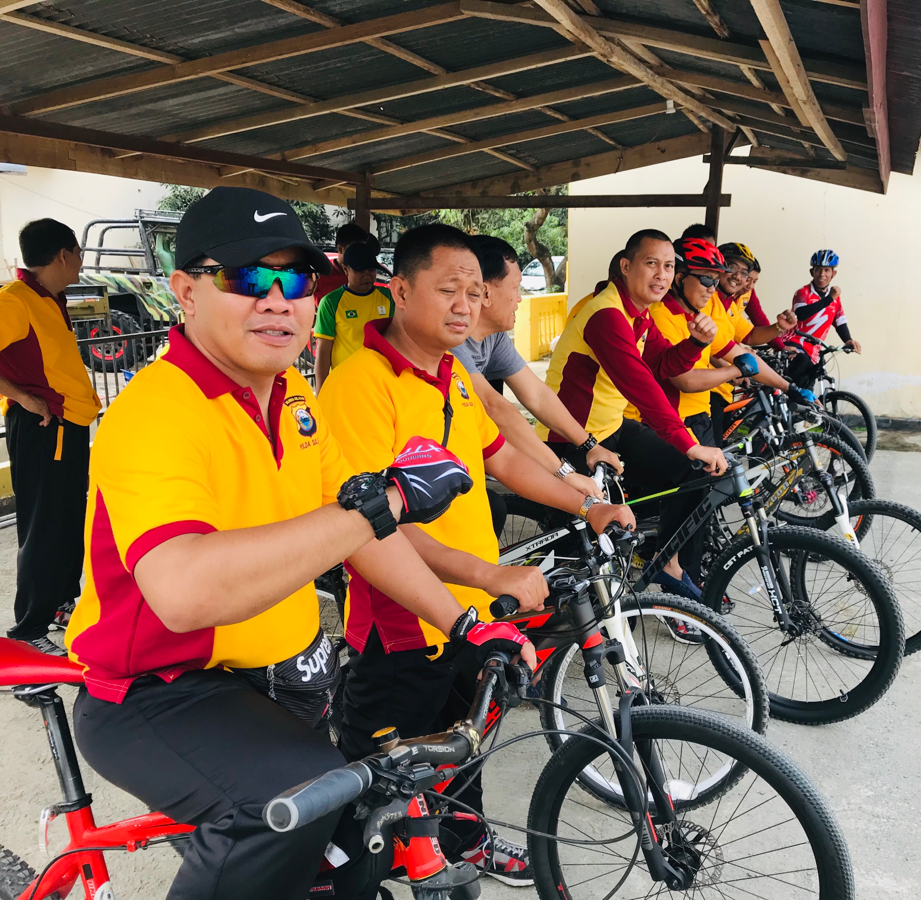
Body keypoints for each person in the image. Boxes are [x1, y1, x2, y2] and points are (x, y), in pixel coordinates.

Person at [63, 187, 533, 900]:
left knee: (361, 833)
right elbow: (186, 593)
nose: (278, 299)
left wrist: (466, 624)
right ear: (185, 292)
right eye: (249, 278)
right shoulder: (154, 414)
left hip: (281, 678)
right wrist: (391, 501)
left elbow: (365, 531)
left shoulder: (294, 398)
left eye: (298, 280)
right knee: (282, 804)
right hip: (156, 690)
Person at [319, 223, 634, 886]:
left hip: (470, 614)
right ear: (400, 291)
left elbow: (503, 458)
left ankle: (462, 851)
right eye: (448, 290)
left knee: (459, 756)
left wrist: (585, 504)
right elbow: (372, 529)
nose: (466, 304)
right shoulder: (360, 385)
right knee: (372, 797)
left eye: (475, 291)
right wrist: (490, 572)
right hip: (402, 628)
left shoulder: (453, 379)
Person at [537, 228, 727, 597]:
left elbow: (663, 365)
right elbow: (642, 386)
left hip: (611, 428)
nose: (662, 274)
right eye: (651, 263)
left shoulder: (641, 314)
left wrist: (696, 343)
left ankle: (664, 562)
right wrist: (689, 443)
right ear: (626, 266)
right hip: (572, 435)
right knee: (575, 549)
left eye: (669, 266)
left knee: (690, 472)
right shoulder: (606, 314)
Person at [453, 235, 623, 502]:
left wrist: (589, 444)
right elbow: (494, 406)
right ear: (485, 293)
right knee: (492, 506)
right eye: (515, 288)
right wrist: (564, 473)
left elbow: (537, 395)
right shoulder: (452, 342)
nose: (520, 299)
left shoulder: (493, 337)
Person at [0, 219, 99, 656]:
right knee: (43, 525)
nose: (80, 261)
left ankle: (60, 604)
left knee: (66, 518)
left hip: (68, 426)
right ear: (63, 253)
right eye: (77, 252)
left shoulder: (49, 298)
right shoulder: (15, 300)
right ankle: (28, 630)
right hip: (43, 428)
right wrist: (22, 397)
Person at [648, 238, 798, 456]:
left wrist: (789, 388)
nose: (712, 290)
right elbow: (685, 380)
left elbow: (738, 351)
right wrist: (735, 370)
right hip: (674, 422)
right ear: (679, 279)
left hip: (698, 415)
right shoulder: (661, 316)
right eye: (708, 280)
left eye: (716, 282)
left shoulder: (696, 317)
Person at [313, 241, 394, 393]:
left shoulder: (389, 298)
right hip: (345, 384)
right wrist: (321, 392)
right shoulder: (331, 302)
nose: (367, 276)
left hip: (379, 383)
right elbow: (323, 353)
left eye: (371, 270)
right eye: (360, 270)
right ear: (345, 269)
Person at [783, 249, 862, 388]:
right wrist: (829, 298)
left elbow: (839, 321)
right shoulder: (803, 293)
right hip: (794, 343)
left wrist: (848, 340)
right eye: (818, 269)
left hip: (814, 350)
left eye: (826, 270)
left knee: (809, 383)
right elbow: (801, 314)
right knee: (794, 381)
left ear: (833, 273)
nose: (822, 274)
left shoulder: (835, 299)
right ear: (812, 272)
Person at [314, 222, 373, 303]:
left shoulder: (364, 274)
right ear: (340, 249)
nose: (359, 254)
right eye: (354, 250)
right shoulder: (320, 275)